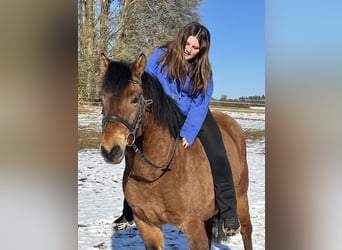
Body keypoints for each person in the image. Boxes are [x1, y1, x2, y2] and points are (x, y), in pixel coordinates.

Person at [113, 22, 241, 236]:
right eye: (187, 43)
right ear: (181, 39)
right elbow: (145, 85)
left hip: (193, 113)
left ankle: (228, 211)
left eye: (195, 47)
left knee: (218, 155)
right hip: (162, 110)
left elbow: (200, 105)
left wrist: (188, 133)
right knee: (133, 147)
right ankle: (129, 209)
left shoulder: (204, 72)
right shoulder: (159, 57)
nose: (189, 49)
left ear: (202, 50)